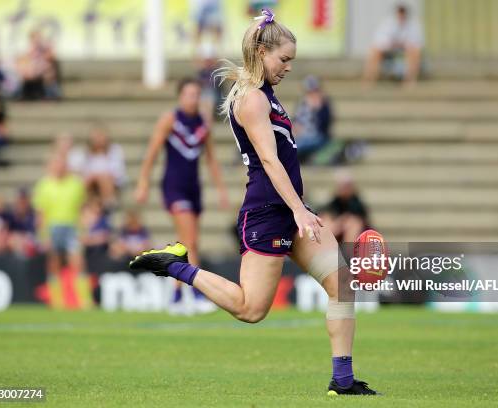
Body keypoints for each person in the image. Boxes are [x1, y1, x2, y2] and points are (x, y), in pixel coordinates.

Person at [130, 9, 380, 396]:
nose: (289, 67)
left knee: (343, 283)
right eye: (284, 59)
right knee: (251, 309)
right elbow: (268, 159)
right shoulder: (250, 100)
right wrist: (299, 210)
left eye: (292, 60)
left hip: (290, 208)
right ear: (262, 52)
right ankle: (176, 266)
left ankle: (343, 381)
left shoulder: (267, 96)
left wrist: (300, 208)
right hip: (268, 211)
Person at [134, 77, 228, 313]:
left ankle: (176, 296)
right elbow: (152, 152)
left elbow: (211, 160)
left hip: (193, 187)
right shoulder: (170, 120)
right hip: (173, 186)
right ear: (179, 97)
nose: (192, 99)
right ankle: (195, 294)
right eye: (188, 94)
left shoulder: (202, 124)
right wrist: (143, 182)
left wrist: (221, 189)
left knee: (188, 242)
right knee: (191, 240)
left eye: (196, 95)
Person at [32, 155, 86, 284]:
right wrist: (44, 235)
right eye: (56, 164)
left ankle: (83, 297)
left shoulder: (76, 183)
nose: (59, 167)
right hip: (52, 227)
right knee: (53, 263)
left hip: (72, 226)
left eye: (62, 164)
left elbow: (82, 209)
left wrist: (83, 230)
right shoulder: (44, 184)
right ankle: (55, 297)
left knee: (77, 261)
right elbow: (40, 213)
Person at [363, 3, 424, 86]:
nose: (401, 17)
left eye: (403, 15)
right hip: (388, 51)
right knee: (374, 50)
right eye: (399, 15)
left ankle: (410, 81)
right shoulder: (387, 23)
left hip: (406, 51)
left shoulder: (413, 25)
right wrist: (392, 44)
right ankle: (369, 80)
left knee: (415, 52)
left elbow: (417, 42)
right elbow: (379, 40)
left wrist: (404, 45)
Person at [69, 126, 126, 207]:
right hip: (90, 185)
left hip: (111, 185)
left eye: (101, 136)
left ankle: (107, 203)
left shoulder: (115, 151)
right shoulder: (84, 153)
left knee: (104, 178)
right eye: (96, 137)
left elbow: (117, 174)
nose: (98, 140)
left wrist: (97, 176)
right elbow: (77, 172)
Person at [319, 170, 369, 243]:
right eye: (341, 186)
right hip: (337, 228)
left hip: (354, 231)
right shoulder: (335, 201)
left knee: (352, 223)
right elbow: (327, 213)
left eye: (345, 186)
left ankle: (347, 252)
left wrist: (342, 221)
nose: (343, 189)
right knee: (326, 220)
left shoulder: (356, 203)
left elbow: (359, 217)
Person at [293, 75, 333, 163]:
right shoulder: (302, 103)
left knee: (296, 145)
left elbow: (325, 126)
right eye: (310, 91)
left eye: (315, 91)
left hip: (318, 137)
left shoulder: (324, 104)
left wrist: (318, 109)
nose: (312, 94)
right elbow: (296, 121)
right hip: (301, 136)